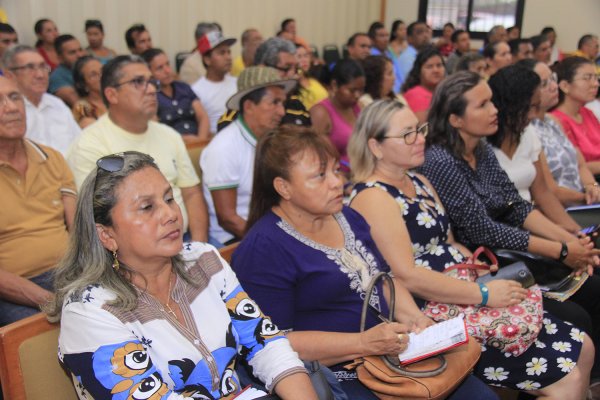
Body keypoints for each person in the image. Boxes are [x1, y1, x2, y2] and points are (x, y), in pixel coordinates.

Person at [347, 98, 594, 398]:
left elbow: (449, 241)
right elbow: (407, 275)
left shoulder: (419, 181)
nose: (420, 139)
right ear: (375, 147)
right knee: (566, 380)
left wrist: (478, 271)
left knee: (584, 346)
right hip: (432, 308)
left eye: (420, 129)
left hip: (464, 290)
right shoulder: (373, 196)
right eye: (408, 134)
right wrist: (485, 294)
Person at [231, 125, 498, 399]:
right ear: (283, 187)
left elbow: (382, 278)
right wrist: (363, 343)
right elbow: (273, 344)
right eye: (320, 176)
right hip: (333, 372)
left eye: (336, 170)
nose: (336, 182)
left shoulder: (345, 216)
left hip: (388, 351)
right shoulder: (263, 249)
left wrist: (416, 319)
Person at [45, 151, 317, 399]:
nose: (171, 214)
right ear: (107, 235)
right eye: (147, 207)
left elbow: (265, 343)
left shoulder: (202, 259)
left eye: (169, 198)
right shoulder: (90, 311)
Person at [419, 72, 600, 377]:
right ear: (455, 120)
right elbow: (480, 229)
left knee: (594, 285)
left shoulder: (480, 148)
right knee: (577, 313)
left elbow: (514, 205)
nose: (495, 111)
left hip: (509, 247)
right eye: (483, 105)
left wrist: (571, 242)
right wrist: (559, 250)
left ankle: (588, 381)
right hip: (481, 263)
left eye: (492, 101)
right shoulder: (440, 160)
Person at [67, 55, 209, 242]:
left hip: (185, 240)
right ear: (112, 95)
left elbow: (191, 193)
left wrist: (199, 246)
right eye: (138, 82)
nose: (151, 90)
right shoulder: (89, 145)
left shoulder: (169, 135)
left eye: (151, 82)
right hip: (133, 254)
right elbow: (97, 220)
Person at [0, 75, 76, 326]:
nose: (10, 107)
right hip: (14, 288)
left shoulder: (51, 158)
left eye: (14, 97)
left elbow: (78, 229)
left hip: (68, 272)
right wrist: (50, 300)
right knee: (45, 331)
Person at [201, 66, 295, 246]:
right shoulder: (224, 148)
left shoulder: (273, 140)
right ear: (249, 106)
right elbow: (228, 219)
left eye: (282, 103)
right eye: (274, 102)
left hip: (271, 227)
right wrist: (275, 242)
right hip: (236, 238)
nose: (282, 112)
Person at [487, 65, 581, 232]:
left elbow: (543, 193)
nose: (536, 115)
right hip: (507, 230)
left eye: (538, 106)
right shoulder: (482, 143)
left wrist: (575, 231)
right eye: (531, 107)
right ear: (511, 104)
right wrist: (561, 238)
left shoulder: (527, 132)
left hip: (533, 221)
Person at [518, 58, 600, 207]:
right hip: (566, 206)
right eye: (544, 84)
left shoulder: (552, 121)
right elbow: (550, 191)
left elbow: (580, 164)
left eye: (553, 79)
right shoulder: (526, 129)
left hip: (584, 200)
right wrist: (586, 198)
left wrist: (592, 187)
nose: (554, 86)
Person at [218, 37, 311, 131]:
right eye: (286, 68)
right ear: (262, 68)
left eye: (295, 69)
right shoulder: (232, 120)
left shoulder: (297, 106)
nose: (293, 75)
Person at [3, 45, 81, 155]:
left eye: (43, 67)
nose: (40, 75)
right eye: (30, 68)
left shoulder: (57, 104)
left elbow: (79, 144)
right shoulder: (7, 111)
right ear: (9, 76)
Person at [142, 48, 210, 144]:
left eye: (167, 64)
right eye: (160, 68)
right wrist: (180, 141)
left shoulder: (184, 87)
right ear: (149, 73)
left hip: (198, 142)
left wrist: (200, 140)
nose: (167, 70)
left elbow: (203, 116)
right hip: (170, 147)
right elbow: (155, 129)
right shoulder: (151, 96)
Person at [310, 58, 364, 171]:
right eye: (352, 90)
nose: (357, 95)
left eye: (361, 90)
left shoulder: (359, 107)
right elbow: (317, 155)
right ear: (334, 85)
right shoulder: (321, 112)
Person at [550, 56, 600, 174]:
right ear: (565, 86)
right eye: (587, 78)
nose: (596, 84)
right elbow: (575, 166)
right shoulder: (556, 120)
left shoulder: (587, 113)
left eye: (596, 78)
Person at [190, 30, 237, 134]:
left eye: (229, 52)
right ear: (207, 60)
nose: (228, 57)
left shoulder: (237, 83)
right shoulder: (196, 91)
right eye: (222, 53)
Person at [401, 46, 445, 124]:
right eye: (429, 67)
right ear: (419, 71)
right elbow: (423, 130)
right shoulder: (415, 95)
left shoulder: (445, 91)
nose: (436, 70)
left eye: (439, 65)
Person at [48, 34, 86, 107]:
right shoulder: (57, 77)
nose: (79, 55)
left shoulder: (85, 69)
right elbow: (80, 107)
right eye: (72, 52)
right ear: (60, 58)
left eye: (80, 50)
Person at [71, 55, 106, 128]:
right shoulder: (81, 106)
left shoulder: (118, 96)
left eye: (102, 71)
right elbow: (92, 130)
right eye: (93, 75)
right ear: (83, 84)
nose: (101, 77)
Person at [397, 21, 432, 87]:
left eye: (427, 31)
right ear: (409, 39)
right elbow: (411, 85)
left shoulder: (423, 54)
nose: (425, 35)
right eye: (420, 32)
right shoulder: (408, 57)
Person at [295, 45, 327, 111]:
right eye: (299, 56)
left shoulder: (314, 79)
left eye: (306, 56)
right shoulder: (292, 84)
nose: (304, 60)